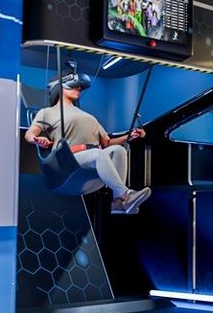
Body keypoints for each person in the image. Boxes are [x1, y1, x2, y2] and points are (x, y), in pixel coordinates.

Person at [24, 71, 151, 213]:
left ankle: (118, 202)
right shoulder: (47, 112)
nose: (78, 89)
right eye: (74, 86)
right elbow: (30, 133)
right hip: (69, 161)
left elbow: (107, 143)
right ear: (59, 87)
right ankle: (126, 194)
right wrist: (37, 139)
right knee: (98, 154)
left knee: (119, 150)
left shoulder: (89, 117)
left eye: (80, 88)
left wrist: (130, 135)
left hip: (93, 156)